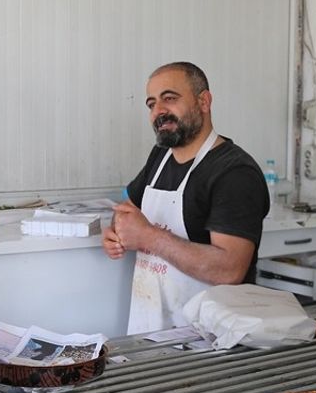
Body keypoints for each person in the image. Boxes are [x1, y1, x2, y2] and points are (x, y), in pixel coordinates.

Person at [102, 62, 269, 334]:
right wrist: (116, 231)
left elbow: (229, 270)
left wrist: (148, 237)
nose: (158, 111)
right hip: (150, 332)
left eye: (169, 98)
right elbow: (127, 209)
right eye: (151, 104)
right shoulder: (160, 157)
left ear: (204, 101)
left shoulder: (235, 172)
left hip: (210, 340)